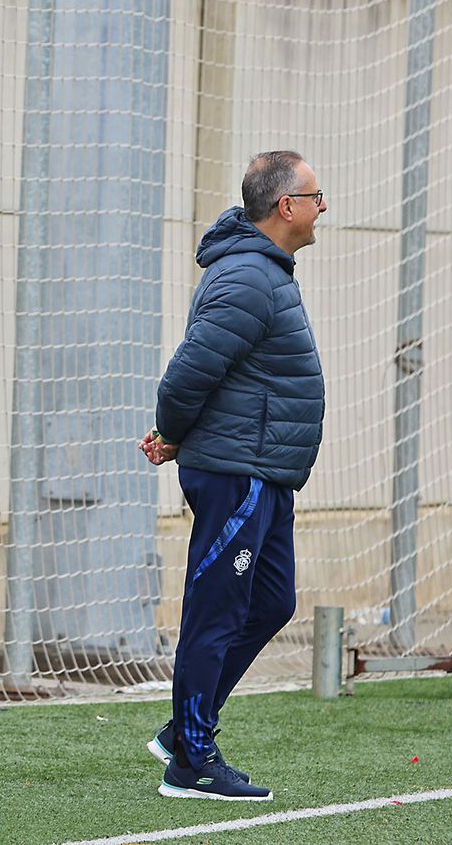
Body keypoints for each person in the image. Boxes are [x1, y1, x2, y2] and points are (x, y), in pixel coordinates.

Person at [141, 150, 327, 803]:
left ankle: (181, 730)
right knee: (215, 611)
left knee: (272, 600)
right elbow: (187, 375)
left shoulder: (264, 271)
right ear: (286, 206)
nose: (321, 207)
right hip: (237, 472)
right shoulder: (248, 276)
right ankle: (190, 759)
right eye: (315, 195)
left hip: (264, 471)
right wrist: (172, 432)